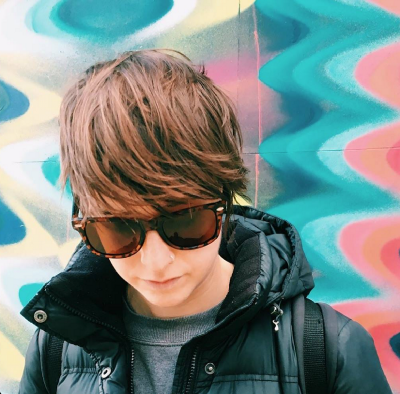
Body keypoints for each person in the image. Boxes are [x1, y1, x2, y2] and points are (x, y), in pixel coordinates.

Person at [18, 49, 392, 394]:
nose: (156, 262)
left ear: (224, 201)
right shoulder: (57, 348)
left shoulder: (327, 350)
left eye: (185, 223)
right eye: (118, 229)